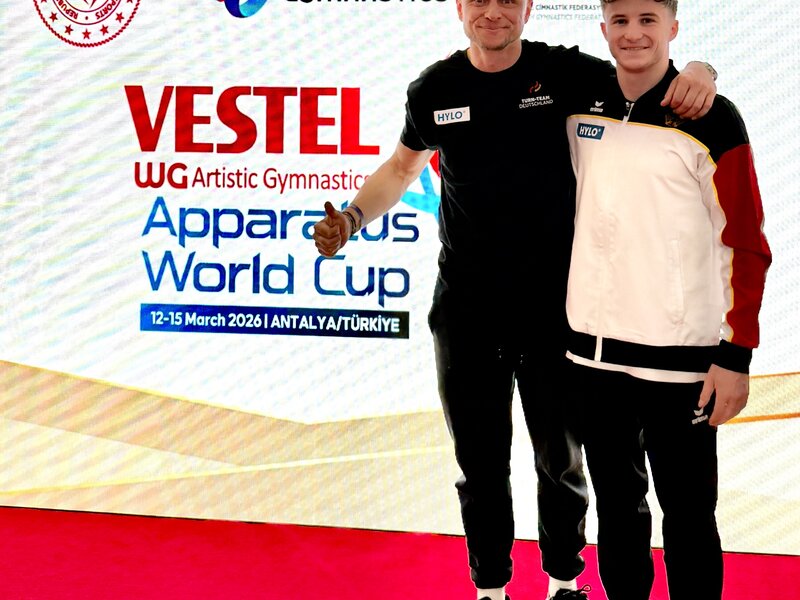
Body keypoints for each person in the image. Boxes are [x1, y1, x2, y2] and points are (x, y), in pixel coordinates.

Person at [312, 1, 716, 598]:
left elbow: (642, 75)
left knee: (561, 460)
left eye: (508, 0)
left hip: (556, 310)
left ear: (528, 8)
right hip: (466, 312)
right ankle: (491, 588)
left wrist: (702, 69)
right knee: (479, 462)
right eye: (479, 0)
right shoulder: (434, 88)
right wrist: (350, 219)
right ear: (460, 8)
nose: (493, 12)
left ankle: (563, 582)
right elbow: (399, 170)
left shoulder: (564, 73)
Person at [563, 1, 772, 599]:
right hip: (594, 358)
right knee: (616, 509)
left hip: (682, 362)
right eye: (620, 21)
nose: (633, 34)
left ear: (673, 27)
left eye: (648, 20)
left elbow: (746, 242)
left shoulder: (711, 118)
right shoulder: (577, 101)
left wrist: (736, 355)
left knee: (689, 514)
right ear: (603, 27)